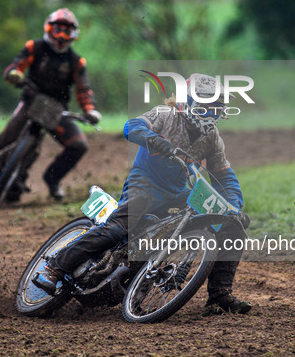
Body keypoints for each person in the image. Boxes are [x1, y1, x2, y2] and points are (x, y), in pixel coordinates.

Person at [35, 73, 252, 314]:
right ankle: (54, 267)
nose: (212, 112)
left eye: (217, 107)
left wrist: (234, 208)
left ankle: (219, 295)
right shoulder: (165, 115)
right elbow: (132, 127)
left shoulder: (212, 138)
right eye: (207, 105)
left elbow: (224, 176)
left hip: (180, 193)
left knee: (232, 227)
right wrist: (154, 140)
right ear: (187, 101)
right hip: (145, 184)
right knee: (118, 228)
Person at [0, 8, 101, 202]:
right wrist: (14, 74)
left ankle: (52, 178)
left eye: (67, 32)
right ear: (49, 29)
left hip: (57, 110)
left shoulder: (77, 62)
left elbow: (83, 89)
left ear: (73, 36)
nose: (61, 36)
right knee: (4, 139)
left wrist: (90, 110)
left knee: (78, 145)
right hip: (31, 102)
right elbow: (17, 64)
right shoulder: (35, 47)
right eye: (58, 29)